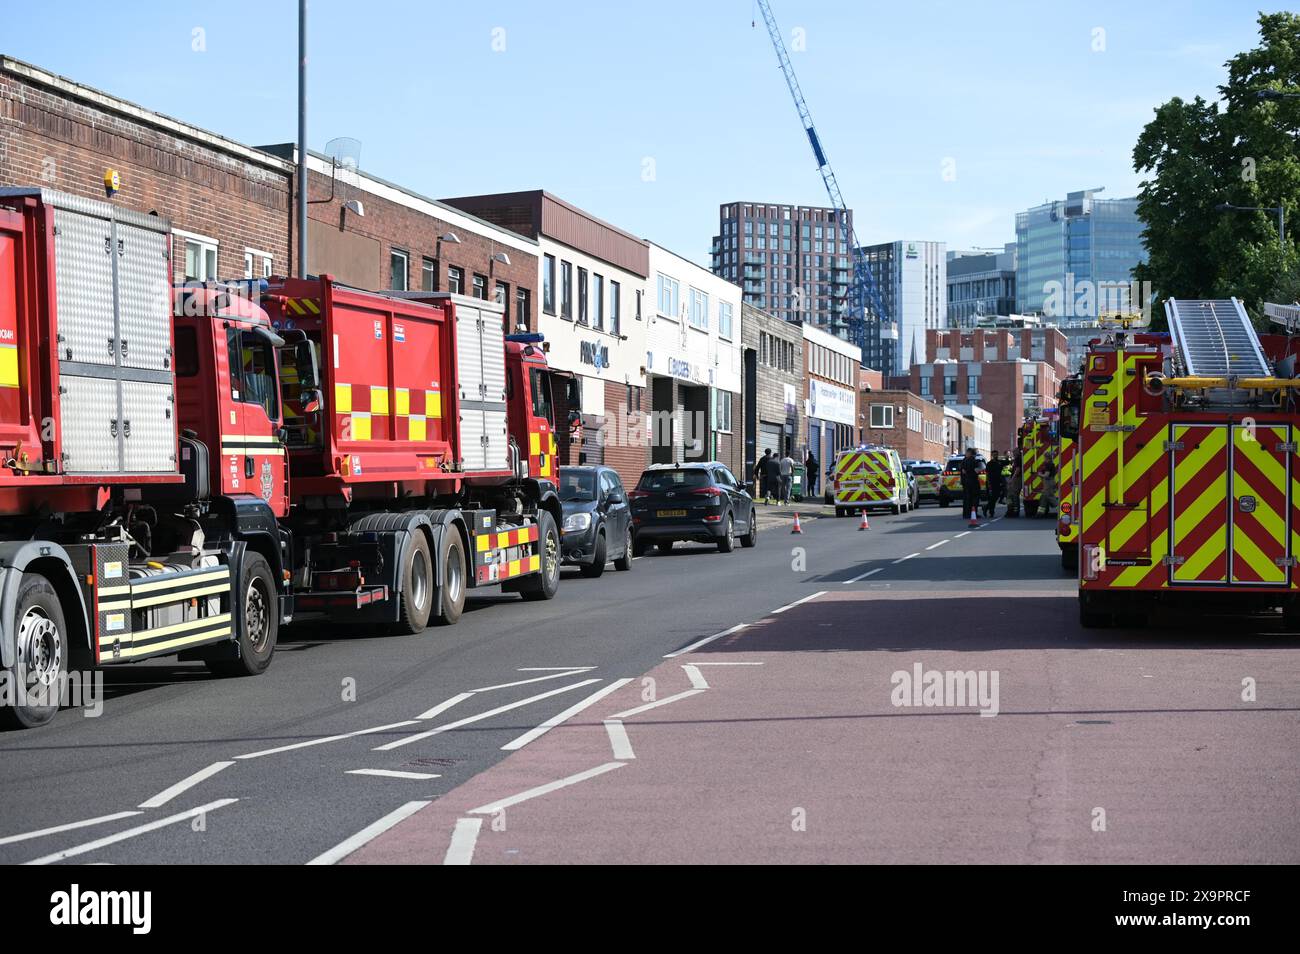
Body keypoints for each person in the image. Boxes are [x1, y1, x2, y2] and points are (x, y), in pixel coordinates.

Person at [959, 447, 982, 526]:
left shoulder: (963, 461)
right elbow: (977, 471)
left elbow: (963, 471)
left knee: (966, 498)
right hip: (973, 482)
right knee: (974, 498)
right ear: (972, 454)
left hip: (965, 482)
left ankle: (966, 513)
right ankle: (973, 513)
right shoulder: (974, 461)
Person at [984, 449, 1005, 518]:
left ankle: (986, 508)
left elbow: (1007, 463)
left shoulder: (999, 462)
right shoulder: (989, 464)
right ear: (992, 455)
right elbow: (987, 474)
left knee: (996, 497)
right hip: (991, 482)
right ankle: (991, 511)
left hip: (998, 482)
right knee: (992, 498)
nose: (995, 456)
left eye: (996, 454)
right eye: (994, 455)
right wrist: (988, 483)